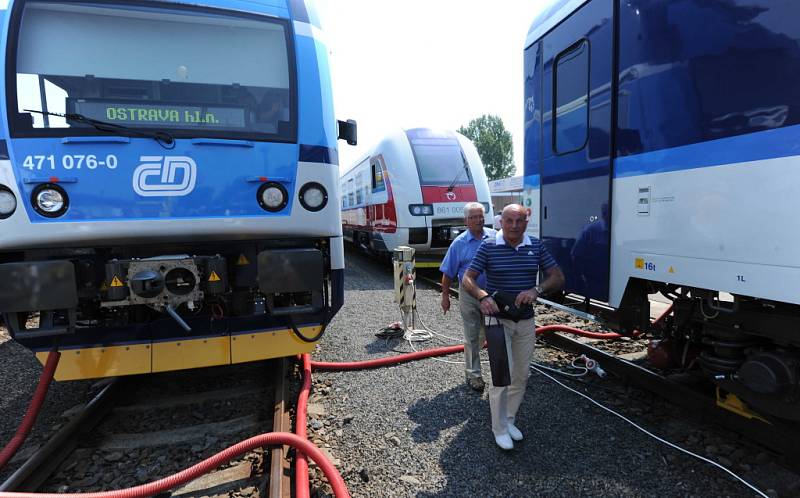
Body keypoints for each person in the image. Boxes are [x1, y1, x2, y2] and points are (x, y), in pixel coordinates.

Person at [462, 204, 565, 450]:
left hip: (526, 321)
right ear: (501, 222)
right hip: (498, 320)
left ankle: (509, 419)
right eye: (509, 221)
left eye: (519, 221)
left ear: (526, 223)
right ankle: (498, 428)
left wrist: (536, 289)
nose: (514, 226)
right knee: (500, 376)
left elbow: (558, 276)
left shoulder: (535, 246)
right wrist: (483, 297)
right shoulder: (488, 246)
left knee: (521, 375)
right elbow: (468, 278)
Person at [440, 202, 495, 392]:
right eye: (474, 217)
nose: (479, 220)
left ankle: (499, 372)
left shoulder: (495, 237)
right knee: (472, 336)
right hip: (469, 295)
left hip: (493, 295)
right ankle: (474, 375)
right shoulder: (459, 244)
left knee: (492, 335)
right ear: (466, 221)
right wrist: (445, 296)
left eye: (481, 216)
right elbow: (448, 273)